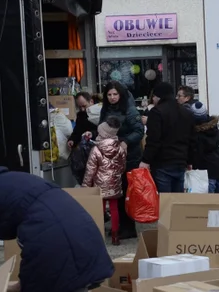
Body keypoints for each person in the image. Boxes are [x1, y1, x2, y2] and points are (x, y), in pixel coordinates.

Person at [100, 81, 144, 238]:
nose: (112, 97)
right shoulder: (105, 110)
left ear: (121, 95)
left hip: (129, 157)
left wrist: (126, 141)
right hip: (111, 156)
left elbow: (139, 130)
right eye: (109, 95)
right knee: (115, 193)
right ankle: (119, 225)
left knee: (126, 192)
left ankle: (128, 227)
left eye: (115, 94)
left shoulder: (130, 110)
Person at [82, 116, 128, 245]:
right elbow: (122, 167)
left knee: (100, 209)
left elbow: (90, 170)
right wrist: (116, 175)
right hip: (115, 183)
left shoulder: (96, 149)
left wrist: (85, 186)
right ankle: (115, 235)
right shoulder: (120, 148)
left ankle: (98, 235)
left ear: (103, 133)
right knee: (114, 209)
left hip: (100, 184)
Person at [140, 82, 193, 194]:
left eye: (154, 96)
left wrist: (146, 160)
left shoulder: (157, 112)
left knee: (164, 201)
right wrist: (190, 160)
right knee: (177, 200)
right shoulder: (185, 112)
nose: (153, 99)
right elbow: (191, 138)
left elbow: (153, 139)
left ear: (159, 96)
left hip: (163, 162)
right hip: (180, 161)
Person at [190, 102, 219, 199]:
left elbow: (198, 152)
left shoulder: (197, 134)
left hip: (205, 168)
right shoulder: (214, 128)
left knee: (209, 195)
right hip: (218, 164)